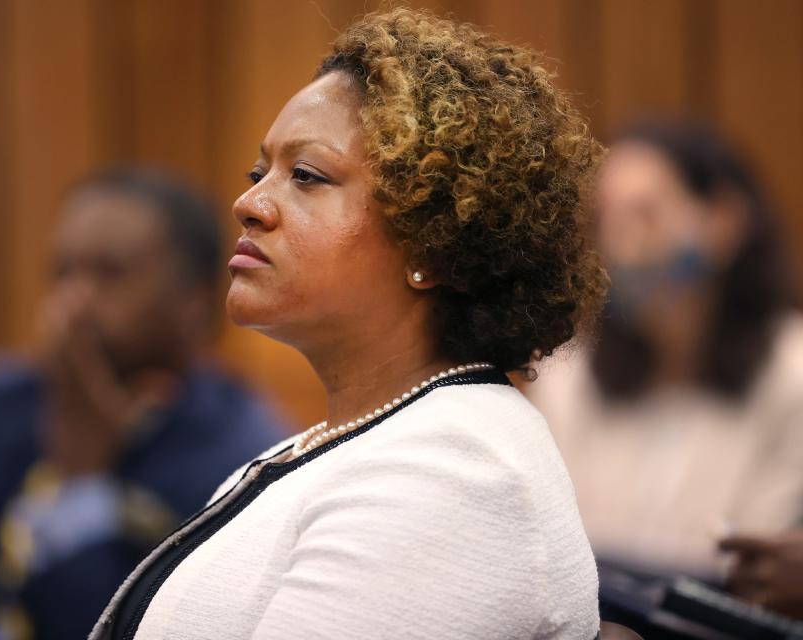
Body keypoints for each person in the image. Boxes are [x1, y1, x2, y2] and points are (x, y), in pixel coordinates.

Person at [89, 9, 608, 640]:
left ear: (433, 241)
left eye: (306, 176)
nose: (249, 204)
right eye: (260, 175)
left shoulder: (454, 474)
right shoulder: (343, 443)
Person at [0, 168, 287, 640]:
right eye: (63, 272)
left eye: (109, 274)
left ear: (194, 304)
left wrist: (80, 479)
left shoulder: (244, 458)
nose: (72, 302)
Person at [529, 120, 803, 581]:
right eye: (607, 220)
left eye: (646, 215)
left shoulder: (793, 370)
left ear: (724, 222)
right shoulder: (565, 373)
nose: (622, 246)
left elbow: (754, 566)